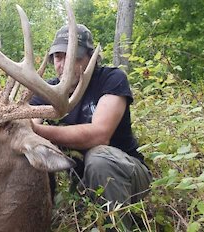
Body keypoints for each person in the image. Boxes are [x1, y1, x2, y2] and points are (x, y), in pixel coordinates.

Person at [29, 24, 152, 224]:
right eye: (59, 57)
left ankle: (118, 226)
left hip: (126, 174)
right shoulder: (47, 91)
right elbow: (27, 125)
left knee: (99, 158)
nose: (64, 65)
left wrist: (37, 130)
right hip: (82, 182)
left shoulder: (111, 79)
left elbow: (99, 134)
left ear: (91, 58)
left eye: (73, 57)